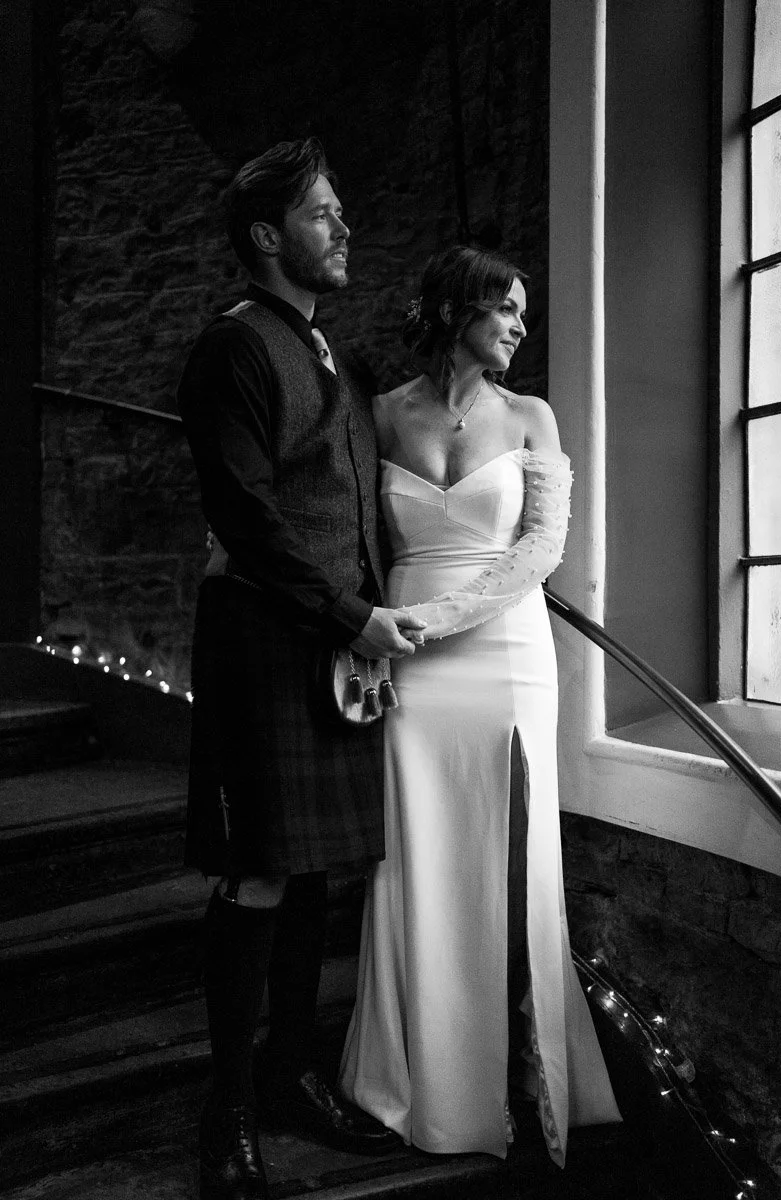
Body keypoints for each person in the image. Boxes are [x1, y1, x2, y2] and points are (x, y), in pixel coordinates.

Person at [178, 137, 426, 1200]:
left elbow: (358, 507)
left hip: (336, 648)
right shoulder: (229, 351)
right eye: (323, 214)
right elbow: (244, 511)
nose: (345, 228)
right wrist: (346, 613)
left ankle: (290, 1078)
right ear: (266, 236)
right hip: (264, 641)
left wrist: (370, 618)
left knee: (318, 872)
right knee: (261, 870)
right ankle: (225, 1114)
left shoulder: (336, 356)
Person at [338, 245, 622, 1166]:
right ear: (458, 308)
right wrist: (365, 633)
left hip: (502, 655)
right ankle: (425, 1081)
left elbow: (540, 554)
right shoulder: (377, 418)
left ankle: (528, 1079)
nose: (519, 327)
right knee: (416, 857)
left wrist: (420, 620)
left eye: (525, 317)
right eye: (506, 309)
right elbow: (349, 543)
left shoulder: (531, 416)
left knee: (517, 860)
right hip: (409, 669)